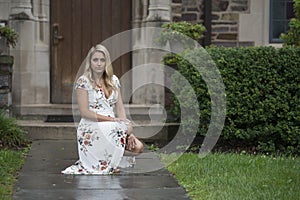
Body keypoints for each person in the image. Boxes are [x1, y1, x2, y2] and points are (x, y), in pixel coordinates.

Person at [62, 44, 144, 175]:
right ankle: (108, 164)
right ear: (90, 62)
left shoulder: (114, 80)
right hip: (92, 123)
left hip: (114, 124)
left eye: (102, 60)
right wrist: (113, 120)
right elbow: (85, 112)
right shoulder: (83, 81)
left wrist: (128, 133)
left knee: (138, 147)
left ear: (107, 62)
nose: (99, 64)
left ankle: (110, 160)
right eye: (95, 60)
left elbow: (120, 108)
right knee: (115, 128)